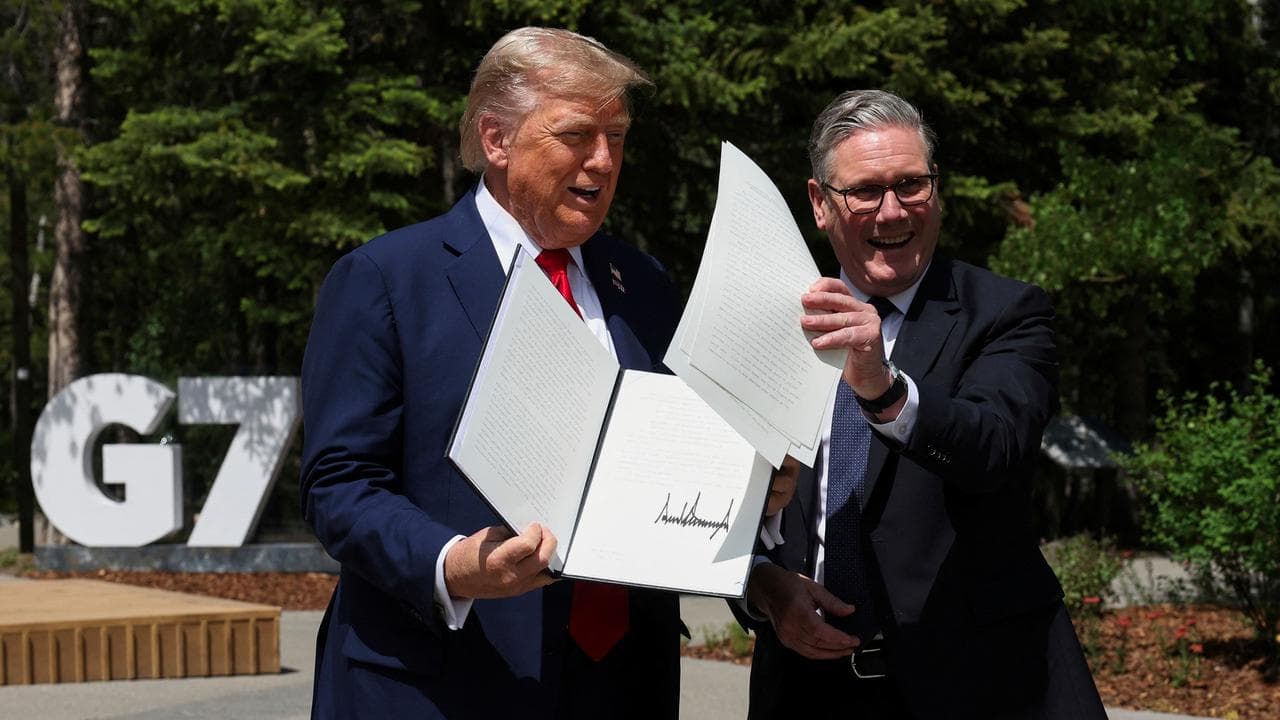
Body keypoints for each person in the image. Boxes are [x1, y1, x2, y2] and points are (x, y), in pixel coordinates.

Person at [299, 27, 686, 719]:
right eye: (576, 134)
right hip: (438, 684)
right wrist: (454, 564)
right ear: (497, 140)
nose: (603, 159)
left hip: (622, 684)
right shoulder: (387, 280)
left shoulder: (645, 285)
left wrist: (754, 497)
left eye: (618, 136)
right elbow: (339, 486)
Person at [740, 89, 1108, 719]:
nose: (891, 212)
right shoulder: (770, 327)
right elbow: (716, 507)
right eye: (865, 191)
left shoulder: (1005, 313)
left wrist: (882, 388)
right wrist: (766, 592)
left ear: (937, 191)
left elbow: (993, 445)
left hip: (980, 686)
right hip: (804, 687)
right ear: (820, 204)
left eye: (911, 184)